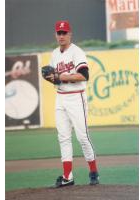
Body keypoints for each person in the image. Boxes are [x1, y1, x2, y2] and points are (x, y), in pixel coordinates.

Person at [46, 20, 99, 188]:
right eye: (59, 33)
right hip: (60, 97)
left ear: (70, 34)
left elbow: (84, 75)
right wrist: (51, 78)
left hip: (77, 97)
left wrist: (62, 77)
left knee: (82, 137)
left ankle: (93, 171)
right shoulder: (54, 54)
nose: (61, 36)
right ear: (56, 35)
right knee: (63, 137)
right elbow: (55, 77)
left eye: (64, 33)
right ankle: (67, 176)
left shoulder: (77, 52)